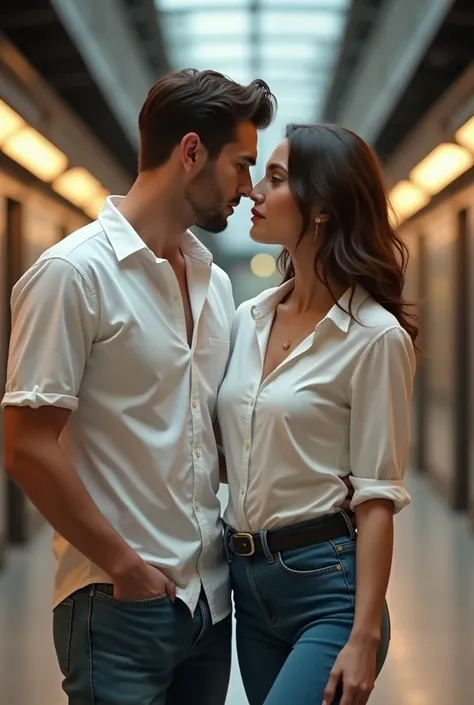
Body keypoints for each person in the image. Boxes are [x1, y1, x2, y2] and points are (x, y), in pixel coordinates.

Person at [2, 69, 276, 705]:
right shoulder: (73, 274)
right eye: (240, 165)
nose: (249, 187)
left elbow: (211, 433)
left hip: (210, 603)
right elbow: (25, 446)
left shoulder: (216, 284)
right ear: (189, 153)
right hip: (116, 602)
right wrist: (123, 565)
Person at [216, 123, 418, 705]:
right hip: (247, 585)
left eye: (275, 179)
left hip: (328, 586)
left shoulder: (373, 337)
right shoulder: (248, 317)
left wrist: (365, 635)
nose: (254, 190)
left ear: (322, 209)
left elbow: (377, 496)